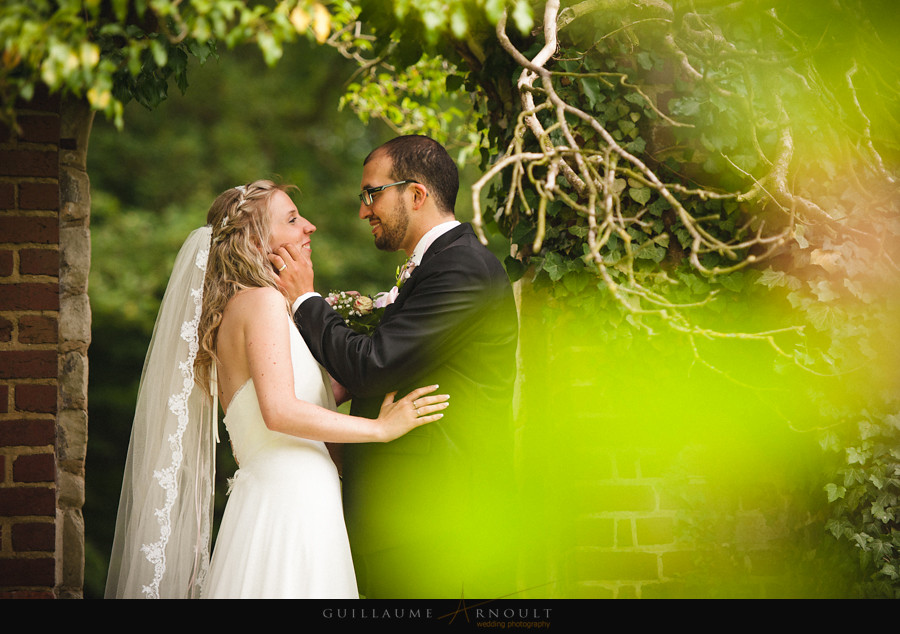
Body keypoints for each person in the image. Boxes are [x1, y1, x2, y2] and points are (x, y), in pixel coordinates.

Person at [105, 180, 448, 599]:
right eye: (292, 219)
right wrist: (381, 428)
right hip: (291, 503)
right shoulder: (261, 302)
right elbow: (280, 411)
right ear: (255, 240)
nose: (309, 226)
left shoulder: (246, 307)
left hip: (285, 496)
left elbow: (300, 395)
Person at [274, 135, 520, 599]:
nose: (363, 210)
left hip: (440, 520)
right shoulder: (436, 266)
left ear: (416, 194)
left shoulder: (462, 268)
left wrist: (305, 299)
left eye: (372, 193)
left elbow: (374, 365)